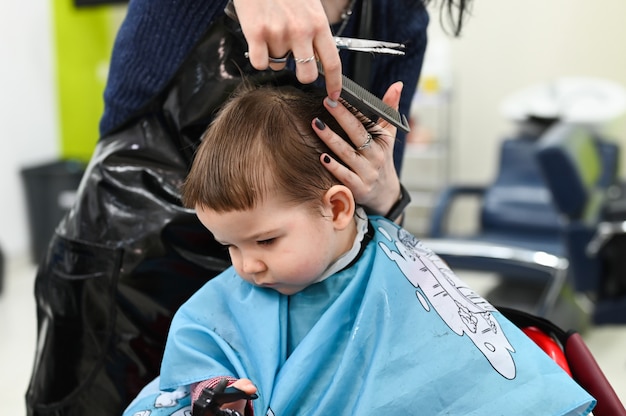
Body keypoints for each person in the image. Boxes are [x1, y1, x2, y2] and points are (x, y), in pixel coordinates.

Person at [26, 1, 472, 415]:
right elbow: (122, 111)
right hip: (124, 285)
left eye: (263, 239)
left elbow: (369, 206)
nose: (244, 266)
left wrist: (387, 196)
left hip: (286, 306)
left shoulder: (397, 19)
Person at [123, 78, 595, 416]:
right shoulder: (224, 303)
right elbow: (193, 370)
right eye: (229, 246)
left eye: (265, 240)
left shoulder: (393, 268)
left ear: (337, 208)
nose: (249, 265)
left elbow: (479, 380)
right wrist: (216, 395)